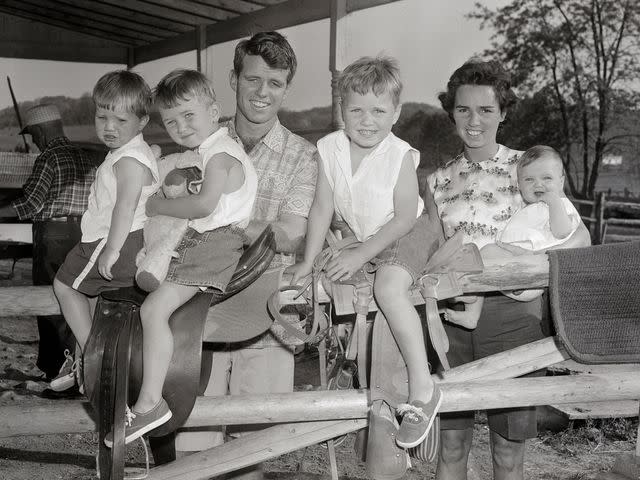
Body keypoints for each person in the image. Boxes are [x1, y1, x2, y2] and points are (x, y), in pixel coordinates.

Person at [426, 59, 591, 480]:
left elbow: (578, 238)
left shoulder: (530, 167)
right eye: (463, 109)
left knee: (507, 451)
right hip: (452, 318)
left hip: (513, 317)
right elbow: (430, 249)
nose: (474, 120)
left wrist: (536, 274)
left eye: (486, 109)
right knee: (451, 445)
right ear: (452, 113)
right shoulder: (436, 180)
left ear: (503, 112)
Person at [173, 31, 318, 480]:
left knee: (251, 445)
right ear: (233, 79)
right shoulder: (196, 140)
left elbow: (291, 236)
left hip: (266, 310)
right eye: (253, 79)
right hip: (198, 306)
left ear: (286, 88)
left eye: (275, 83)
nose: (262, 92)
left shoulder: (302, 155)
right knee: (192, 436)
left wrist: (219, 220)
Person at [288, 55, 442, 449]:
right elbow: (321, 207)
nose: (367, 120)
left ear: (396, 113)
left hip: (407, 230)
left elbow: (405, 217)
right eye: (356, 109)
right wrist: (306, 260)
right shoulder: (329, 148)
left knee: (389, 289)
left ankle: (424, 390)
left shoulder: (400, 155)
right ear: (341, 110)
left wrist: (359, 256)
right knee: (327, 277)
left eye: (378, 110)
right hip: (366, 234)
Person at [103, 69, 258, 446]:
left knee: (152, 311)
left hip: (214, 243)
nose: (181, 127)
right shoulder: (213, 152)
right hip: (210, 239)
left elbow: (204, 206)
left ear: (214, 110)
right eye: (171, 121)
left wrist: (158, 204)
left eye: (189, 116)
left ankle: (150, 403)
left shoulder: (220, 155)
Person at [52, 70, 159, 394]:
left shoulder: (127, 159)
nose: (109, 127)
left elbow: (125, 206)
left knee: (64, 287)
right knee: (89, 297)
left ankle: (91, 354)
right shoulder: (133, 152)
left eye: (120, 121)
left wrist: (112, 249)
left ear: (141, 121)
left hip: (113, 240)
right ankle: (87, 352)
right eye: (102, 117)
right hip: (122, 239)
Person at [0, 104, 95, 398]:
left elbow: (29, 204)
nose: (34, 141)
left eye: (33, 135)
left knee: (51, 304)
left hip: (53, 235)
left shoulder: (49, 158)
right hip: (82, 234)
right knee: (74, 301)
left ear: (40, 131)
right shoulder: (83, 155)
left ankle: (61, 373)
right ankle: (66, 368)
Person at [440, 144, 582, 328]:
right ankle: (472, 314)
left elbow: (563, 231)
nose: (538, 184)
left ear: (561, 182)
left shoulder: (561, 205)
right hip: (513, 268)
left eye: (547, 178)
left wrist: (554, 201)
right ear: (520, 186)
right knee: (484, 254)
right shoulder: (531, 208)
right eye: (529, 180)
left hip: (532, 274)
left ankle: (472, 295)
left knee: (486, 254)